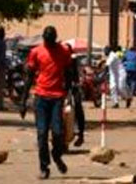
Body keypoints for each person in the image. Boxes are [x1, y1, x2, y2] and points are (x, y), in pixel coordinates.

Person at [24, 26, 73, 179]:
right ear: (44, 39)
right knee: (42, 133)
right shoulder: (36, 52)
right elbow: (30, 76)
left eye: (51, 41)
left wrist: (69, 89)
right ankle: (44, 167)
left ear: (55, 39)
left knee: (58, 132)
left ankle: (56, 156)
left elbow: (69, 71)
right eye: (46, 40)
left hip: (57, 97)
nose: (49, 43)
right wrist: (23, 100)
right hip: (41, 97)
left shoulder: (64, 51)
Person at [64, 43, 86, 147]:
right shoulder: (58, 58)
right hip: (60, 87)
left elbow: (78, 74)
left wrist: (76, 83)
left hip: (73, 87)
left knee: (77, 106)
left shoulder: (73, 60)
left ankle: (80, 134)